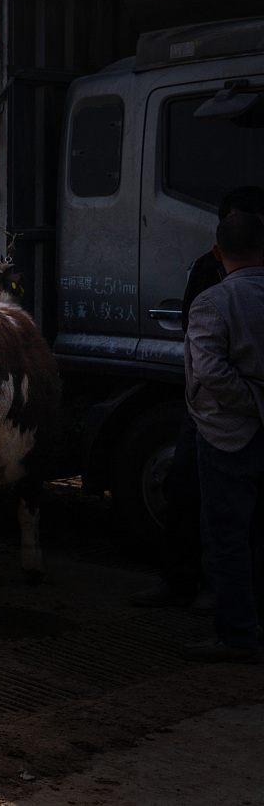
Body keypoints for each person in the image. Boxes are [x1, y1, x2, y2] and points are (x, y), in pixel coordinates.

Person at [132, 186, 264, 611]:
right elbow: (201, 348)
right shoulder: (208, 272)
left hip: (232, 410)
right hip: (210, 409)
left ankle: (228, 603)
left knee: (232, 518)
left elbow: (210, 360)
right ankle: (182, 579)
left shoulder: (227, 284)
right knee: (188, 491)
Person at [180, 212, 264, 664]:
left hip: (226, 435)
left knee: (228, 538)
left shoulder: (213, 301)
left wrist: (252, 400)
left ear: (217, 253)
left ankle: (237, 636)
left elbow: (210, 372)